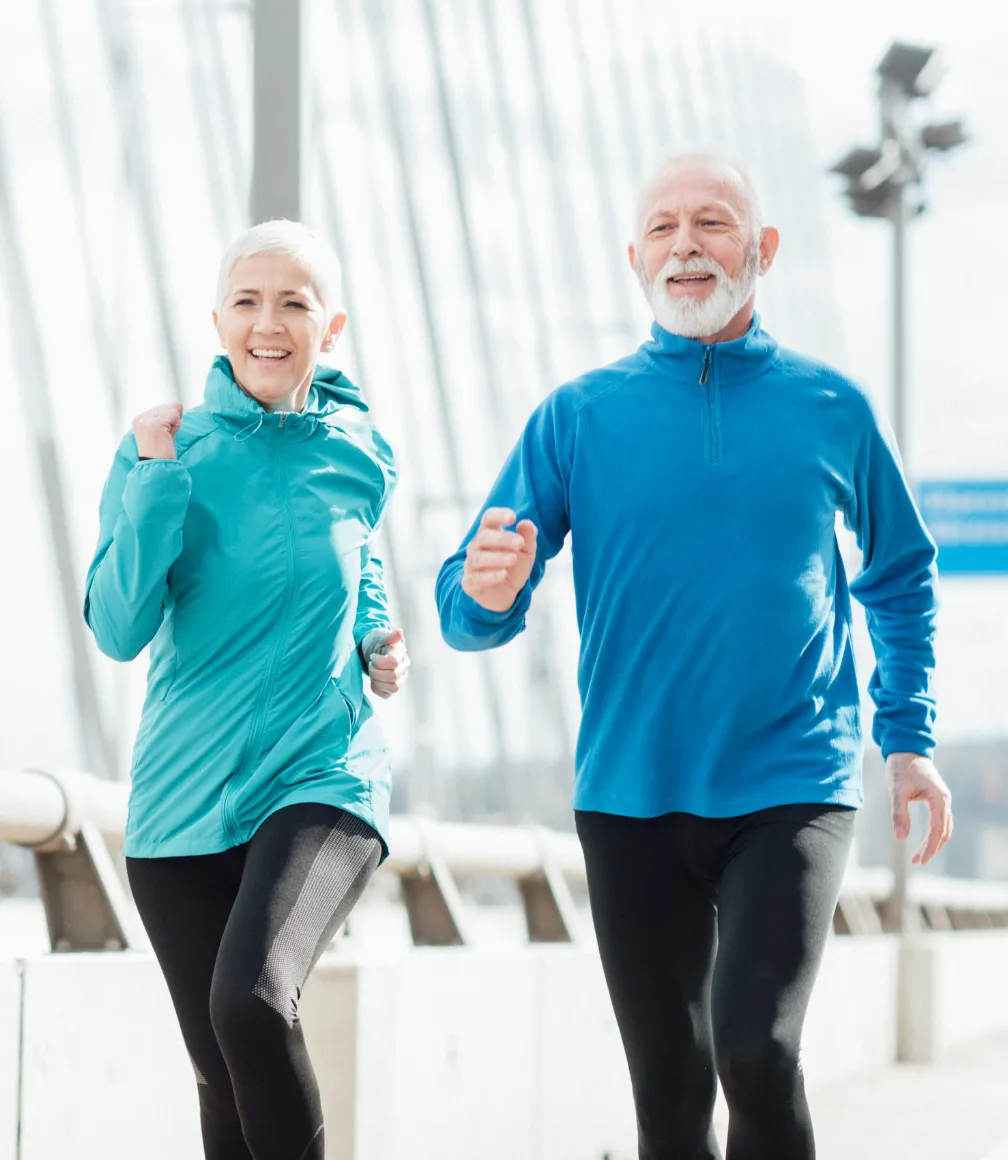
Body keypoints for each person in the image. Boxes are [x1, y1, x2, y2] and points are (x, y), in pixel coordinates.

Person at [434, 153, 952, 1160]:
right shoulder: (576, 416)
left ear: (763, 249)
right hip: (631, 793)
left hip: (794, 783)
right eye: (663, 228)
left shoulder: (833, 407)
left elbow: (899, 573)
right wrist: (487, 593)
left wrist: (909, 738)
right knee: (670, 1103)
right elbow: (465, 606)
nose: (686, 245)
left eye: (712, 222)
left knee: (758, 1048)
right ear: (635, 259)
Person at [84, 220, 409, 1160]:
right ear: (218, 321)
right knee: (224, 1084)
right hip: (180, 807)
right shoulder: (165, 450)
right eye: (248, 302)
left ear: (329, 328)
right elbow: (117, 627)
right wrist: (155, 479)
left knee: (254, 1004)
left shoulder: (359, 451)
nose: (269, 323)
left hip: (323, 775)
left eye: (294, 303)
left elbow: (358, 558)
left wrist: (376, 634)